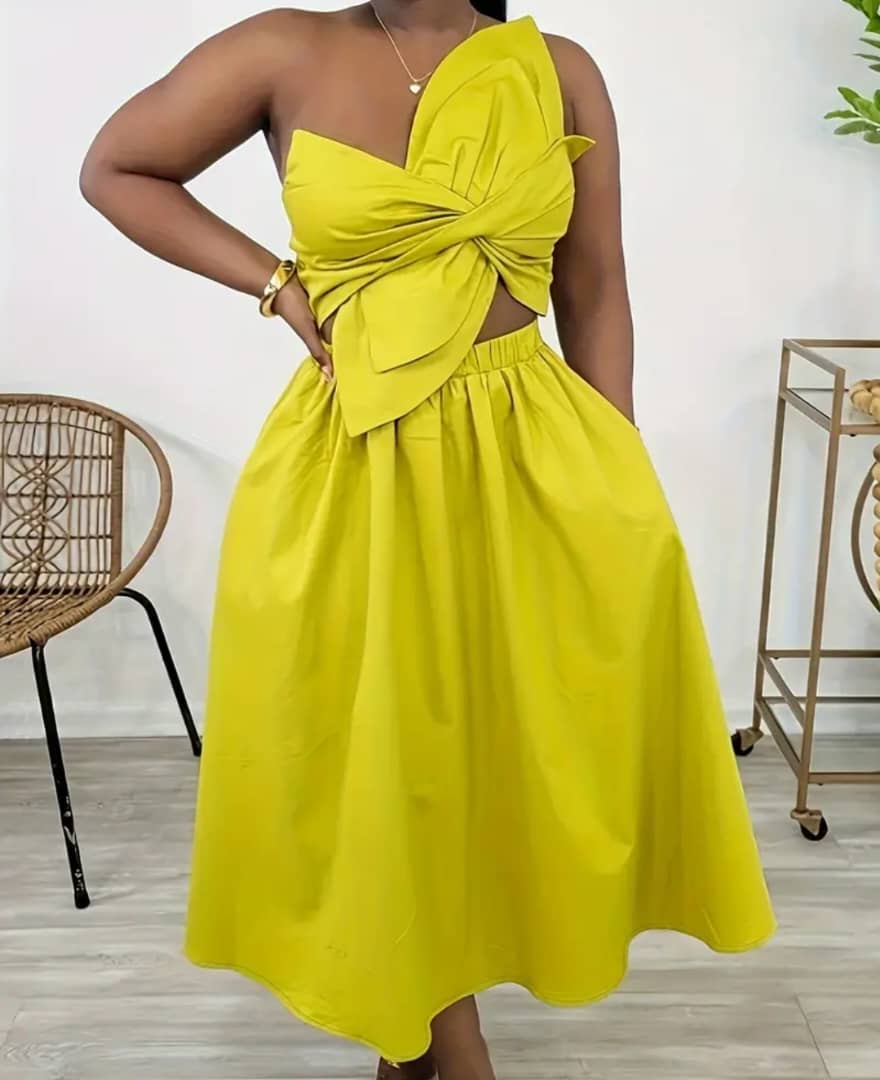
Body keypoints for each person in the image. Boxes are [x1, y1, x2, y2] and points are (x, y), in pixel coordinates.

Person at [80, 3, 776, 1078]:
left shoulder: (558, 68)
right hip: (357, 451)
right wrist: (277, 285)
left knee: (498, 749)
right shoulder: (284, 50)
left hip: (530, 444)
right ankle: (454, 1044)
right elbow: (117, 168)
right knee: (389, 753)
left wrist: (617, 468)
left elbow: (595, 284)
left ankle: (414, 1039)